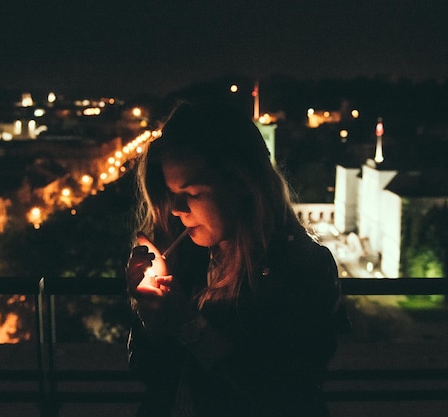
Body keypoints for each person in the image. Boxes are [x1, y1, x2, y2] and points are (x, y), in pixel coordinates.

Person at [125, 101, 349, 417]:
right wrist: (151, 315)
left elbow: (284, 392)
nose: (176, 207)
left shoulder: (303, 268)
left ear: (242, 183)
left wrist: (187, 323)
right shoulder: (186, 261)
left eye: (191, 192)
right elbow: (150, 374)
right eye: (170, 191)